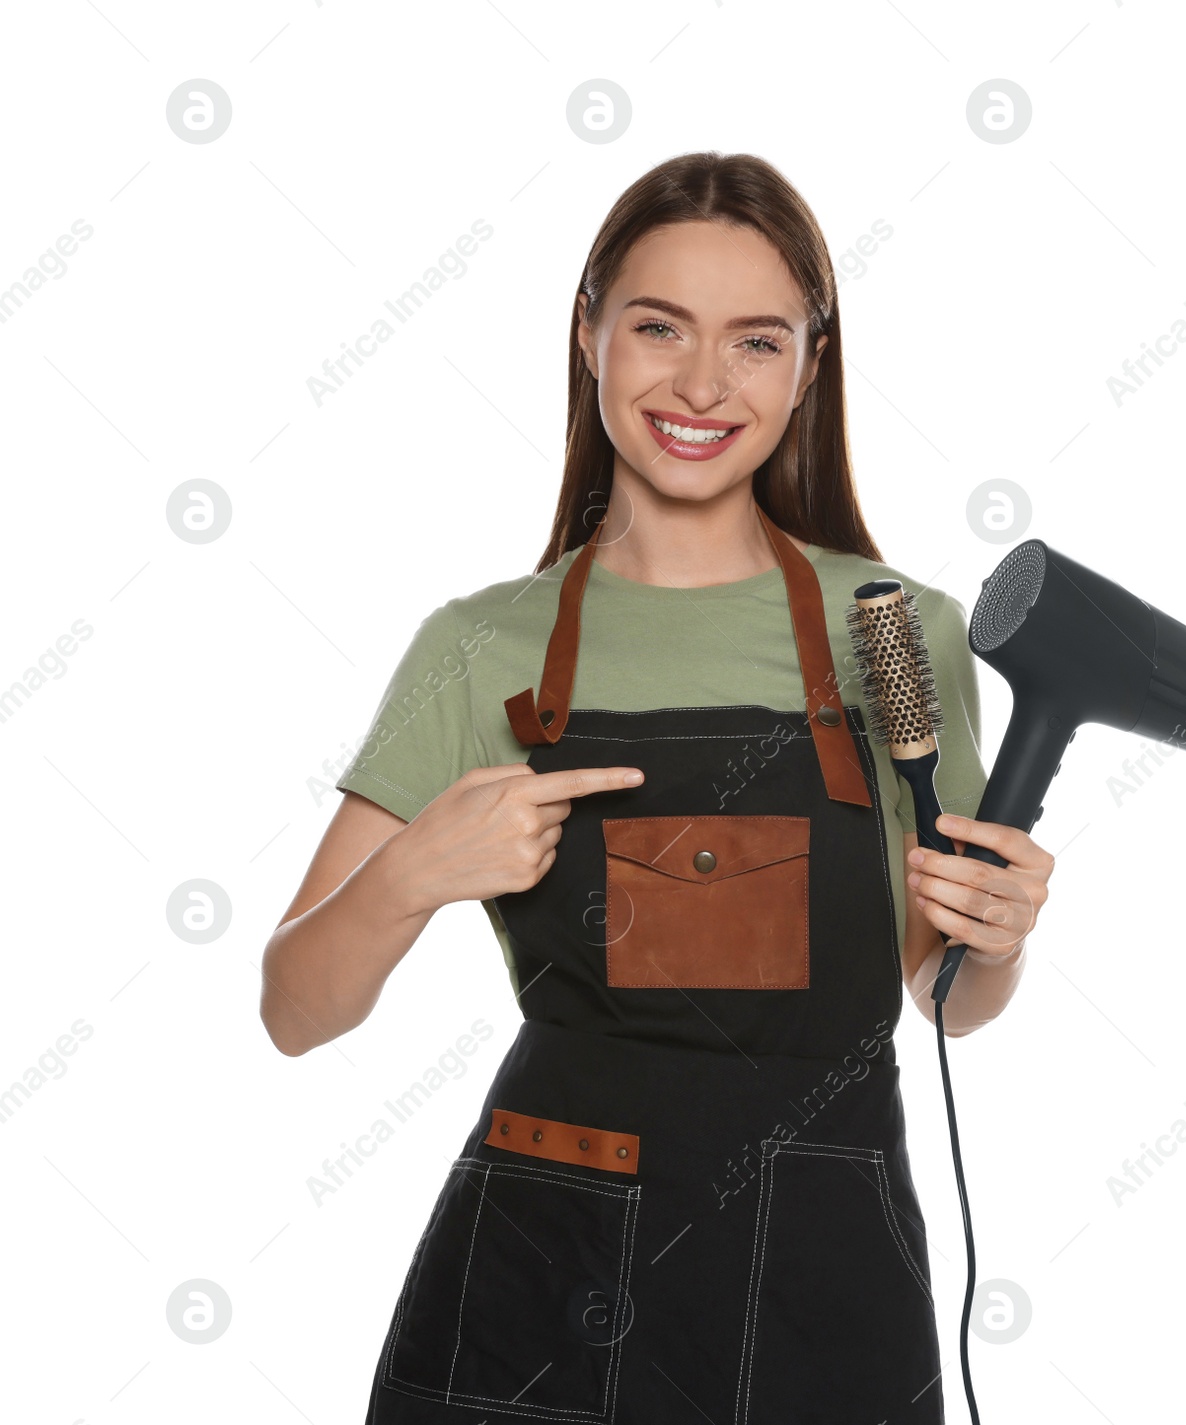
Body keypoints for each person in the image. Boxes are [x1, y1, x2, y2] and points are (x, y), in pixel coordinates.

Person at [261, 150, 1055, 1424]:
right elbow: (296, 1012)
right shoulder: (482, 647)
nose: (700, 384)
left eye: (754, 340)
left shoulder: (897, 633)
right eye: (657, 328)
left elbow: (945, 997)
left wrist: (996, 941)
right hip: (542, 1267)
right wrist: (412, 877)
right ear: (589, 336)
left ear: (810, 362)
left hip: (826, 1268)